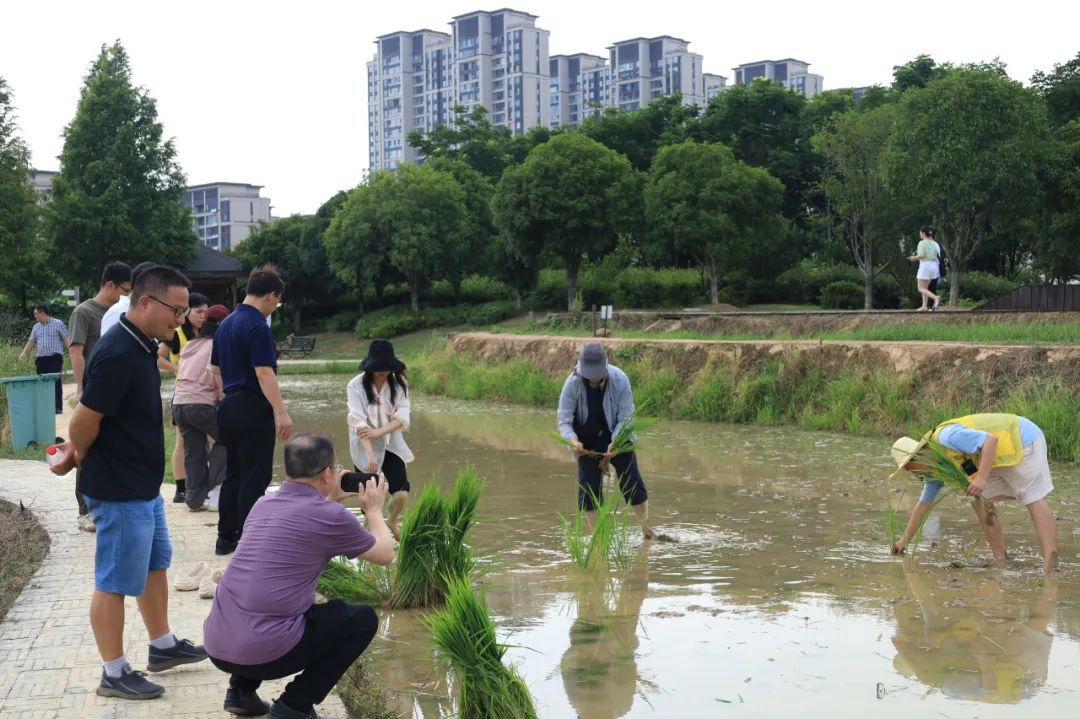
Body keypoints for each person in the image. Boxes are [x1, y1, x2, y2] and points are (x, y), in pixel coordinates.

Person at [48, 264, 208, 700]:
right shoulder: (118, 352)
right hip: (118, 489)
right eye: (175, 310)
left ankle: (162, 646)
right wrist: (74, 456)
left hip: (142, 487)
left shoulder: (141, 344)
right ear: (144, 302)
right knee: (115, 580)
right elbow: (84, 419)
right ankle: (113, 673)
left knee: (155, 565)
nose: (180, 318)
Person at [203, 433, 394, 719]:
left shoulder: (262, 504)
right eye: (336, 467)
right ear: (327, 473)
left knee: (260, 596)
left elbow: (305, 519)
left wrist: (327, 495)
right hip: (267, 653)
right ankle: (294, 705)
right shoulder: (331, 515)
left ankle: (240, 692)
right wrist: (374, 511)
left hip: (218, 646)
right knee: (360, 619)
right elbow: (385, 554)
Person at [889, 413, 1058, 572]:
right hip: (1000, 455)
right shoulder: (935, 468)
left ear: (918, 455)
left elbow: (990, 441)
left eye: (910, 468)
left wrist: (982, 479)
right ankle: (1001, 559)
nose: (914, 473)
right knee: (979, 500)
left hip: (1023, 438)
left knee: (1031, 497)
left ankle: (1050, 563)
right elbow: (923, 505)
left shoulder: (947, 436)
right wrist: (903, 542)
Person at [212, 267, 292, 556]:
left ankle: (226, 537)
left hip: (228, 406)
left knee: (233, 471)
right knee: (255, 475)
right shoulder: (258, 326)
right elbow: (264, 373)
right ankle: (250, 540)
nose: (275, 306)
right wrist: (280, 411)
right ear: (270, 295)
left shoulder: (226, 324)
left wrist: (228, 400)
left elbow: (215, 370)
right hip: (251, 405)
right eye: (277, 301)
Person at [557, 343, 654, 540]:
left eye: (597, 373)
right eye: (589, 373)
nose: (593, 377)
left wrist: (617, 442)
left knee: (632, 480)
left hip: (618, 435)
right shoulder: (572, 383)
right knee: (589, 487)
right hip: (586, 442)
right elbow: (564, 420)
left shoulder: (620, 379)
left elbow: (626, 418)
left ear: (605, 366)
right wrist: (574, 442)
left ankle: (647, 531)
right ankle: (596, 536)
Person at [68, 261, 133, 532]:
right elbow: (76, 352)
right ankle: (85, 509)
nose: (127, 295)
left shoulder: (125, 311)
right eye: (124, 290)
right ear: (109, 285)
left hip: (116, 393)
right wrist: (84, 389)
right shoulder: (84, 312)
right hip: (93, 390)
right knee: (87, 448)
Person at [347, 339, 413, 539]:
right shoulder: (356, 386)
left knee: (401, 492)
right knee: (373, 494)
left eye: (386, 368)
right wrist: (369, 454)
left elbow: (402, 417)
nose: (382, 372)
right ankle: (371, 535)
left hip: (390, 443)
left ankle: (392, 523)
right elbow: (357, 421)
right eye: (378, 368)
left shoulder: (399, 385)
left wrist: (379, 432)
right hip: (363, 445)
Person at [172, 303, 228, 512]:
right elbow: (215, 374)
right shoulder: (217, 344)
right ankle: (216, 493)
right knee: (229, 438)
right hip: (201, 404)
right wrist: (223, 399)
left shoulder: (191, 344)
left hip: (179, 404)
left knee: (193, 451)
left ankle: (194, 500)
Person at [163, 292, 209, 504]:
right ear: (188, 311)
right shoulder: (177, 334)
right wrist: (177, 368)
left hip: (205, 395)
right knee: (182, 442)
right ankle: (181, 488)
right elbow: (155, 356)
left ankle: (202, 485)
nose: (203, 316)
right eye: (199, 311)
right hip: (182, 395)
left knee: (204, 441)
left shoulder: (207, 333)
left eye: (206, 312)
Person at [19, 305, 71, 413]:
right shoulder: (36, 327)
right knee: (42, 383)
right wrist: (24, 353)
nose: (35, 317)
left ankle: (57, 407)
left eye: (36, 314)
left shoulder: (58, 323)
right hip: (41, 359)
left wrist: (72, 352)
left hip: (55, 358)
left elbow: (66, 338)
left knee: (55, 382)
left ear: (42, 313)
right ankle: (45, 407)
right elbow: (31, 341)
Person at [907, 225, 941, 312]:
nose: (920, 234)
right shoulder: (934, 243)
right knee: (925, 288)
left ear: (923, 233)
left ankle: (935, 298)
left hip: (925, 266)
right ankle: (924, 306)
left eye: (920, 233)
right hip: (934, 266)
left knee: (920, 288)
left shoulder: (922, 243)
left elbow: (922, 255)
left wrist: (913, 258)